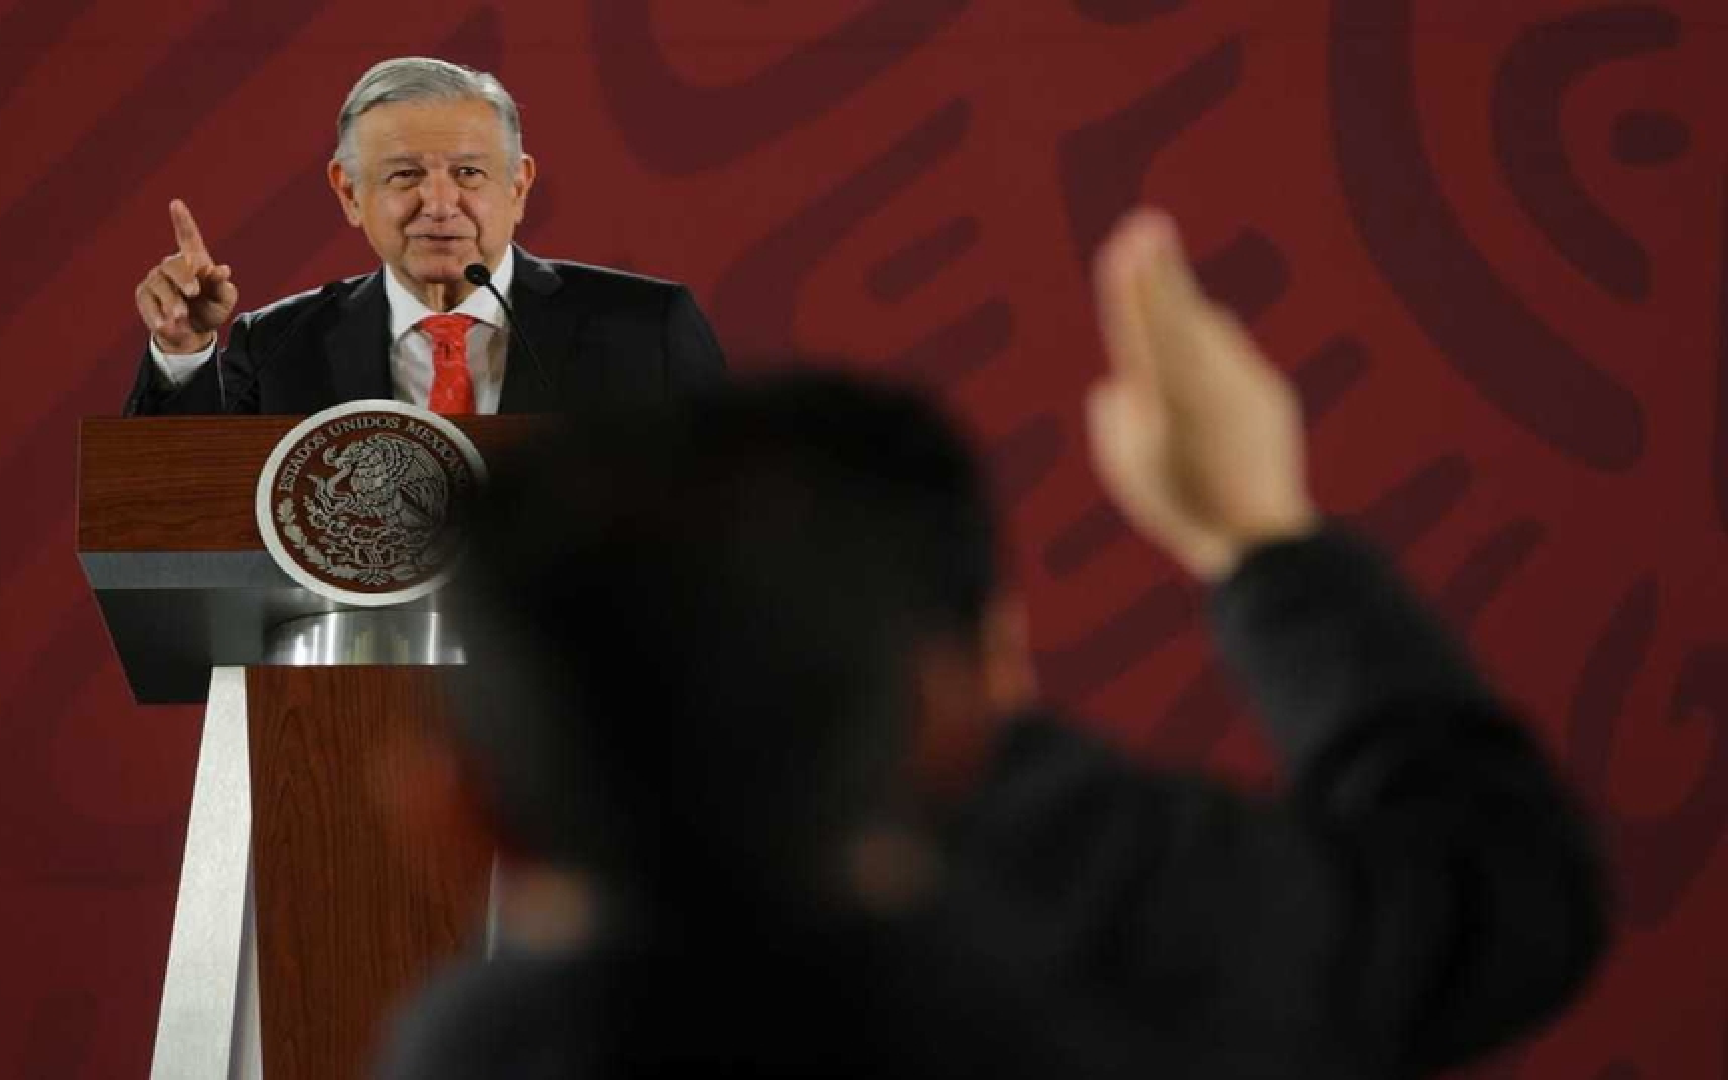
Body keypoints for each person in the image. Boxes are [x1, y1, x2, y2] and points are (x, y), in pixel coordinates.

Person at [376, 209, 1608, 1078]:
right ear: (957, 706)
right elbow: (1495, 906)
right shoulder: (1109, 936)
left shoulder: (467, 1050)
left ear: (456, 809)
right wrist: (1258, 532)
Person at [122, 57, 726, 417]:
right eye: (405, 175)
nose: (438, 204)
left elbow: (732, 517)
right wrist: (183, 349)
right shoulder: (280, 345)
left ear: (518, 185)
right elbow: (176, 508)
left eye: (469, 173)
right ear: (349, 193)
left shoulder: (647, 331)